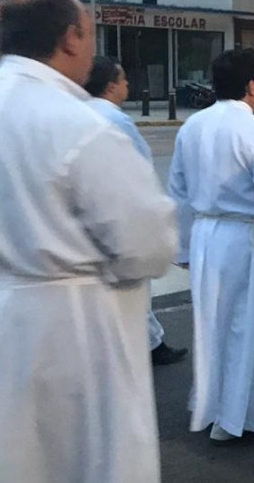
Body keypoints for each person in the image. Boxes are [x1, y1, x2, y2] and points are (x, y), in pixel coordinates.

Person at [0, 0, 178, 483]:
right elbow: (147, 243)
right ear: (70, 38)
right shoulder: (80, 123)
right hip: (67, 328)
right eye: (88, 34)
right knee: (72, 460)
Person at [168, 48, 254, 442]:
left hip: (205, 236)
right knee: (246, 325)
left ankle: (214, 406)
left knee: (211, 325)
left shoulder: (192, 127)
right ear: (250, 84)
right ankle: (241, 415)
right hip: (243, 237)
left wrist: (184, 248)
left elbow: (178, 192)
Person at [84, 57, 188, 366]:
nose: (129, 85)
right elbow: (140, 169)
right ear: (111, 85)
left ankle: (148, 342)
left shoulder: (75, 114)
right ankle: (149, 345)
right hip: (119, 216)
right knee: (135, 288)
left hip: (90, 218)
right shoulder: (117, 121)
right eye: (124, 79)